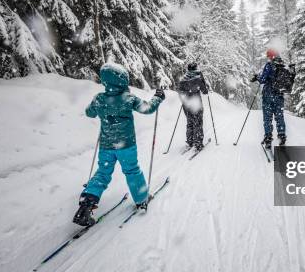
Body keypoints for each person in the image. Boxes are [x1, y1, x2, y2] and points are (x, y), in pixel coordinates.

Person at [73, 63, 165, 227]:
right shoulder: (128, 98)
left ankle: (86, 204)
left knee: (102, 173)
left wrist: (100, 108)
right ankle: (141, 199)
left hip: (107, 146)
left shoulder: (99, 99)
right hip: (126, 146)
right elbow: (148, 108)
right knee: (132, 170)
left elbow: (89, 113)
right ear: (122, 80)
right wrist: (158, 98)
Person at [251, 48, 295, 148]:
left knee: (267, 118)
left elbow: (262, 80)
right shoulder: (283, 66)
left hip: (268, 95)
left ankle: (268, 138)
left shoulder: (269, 65)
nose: (268, 58)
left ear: (271, 56)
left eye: (268, 56)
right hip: (279, 95)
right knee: (279, 117)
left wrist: (256, 77)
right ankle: (282, 136)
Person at [178, 62, 209, 151]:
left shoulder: (183, 79)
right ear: (196, 68)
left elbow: (180, 92)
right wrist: (202, 81)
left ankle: (190, 141)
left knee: (190, 122)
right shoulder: (198, 78)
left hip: (186, 105)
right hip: (196, 104)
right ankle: (198, 144)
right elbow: (205, 91)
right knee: (198, 123)